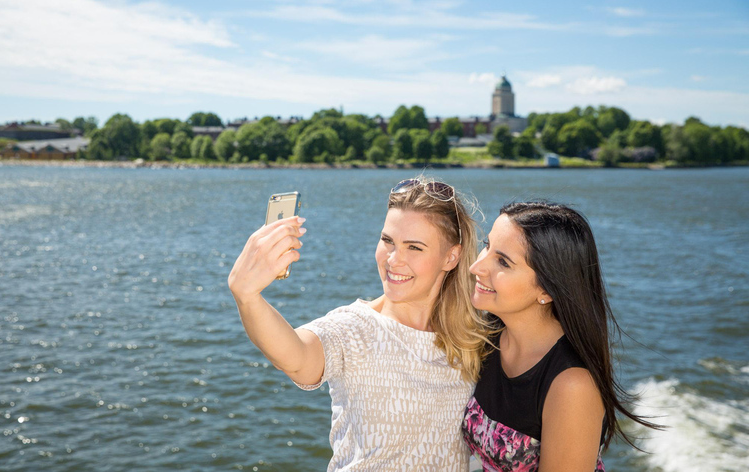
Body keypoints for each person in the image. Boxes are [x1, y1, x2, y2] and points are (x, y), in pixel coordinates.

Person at [228, 178, 491, 471]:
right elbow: (295, 356)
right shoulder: (354, 328)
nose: (393, 259)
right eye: (388, 241)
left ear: (451, 256)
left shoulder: (473, 337)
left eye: (414, 247)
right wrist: (247, 297)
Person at [462, 202, 660, 471]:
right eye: (486, 246)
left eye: (503, 262)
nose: (476, 266)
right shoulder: (488, 333)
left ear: (546, 289)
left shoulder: (572, 385)